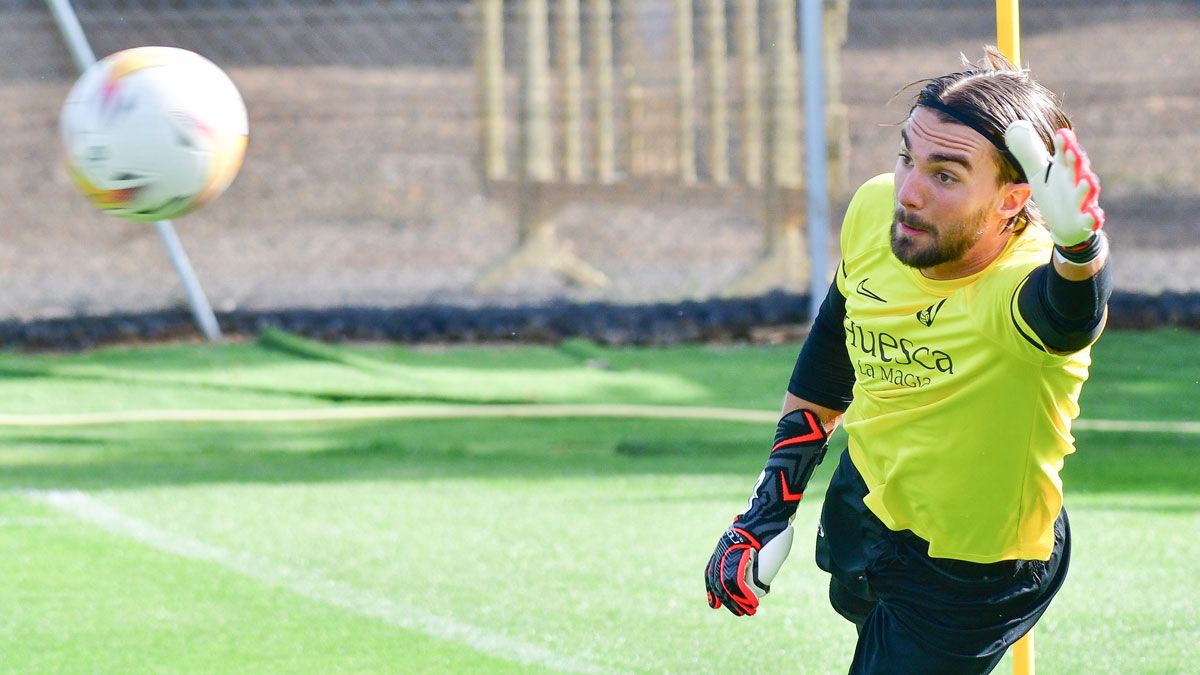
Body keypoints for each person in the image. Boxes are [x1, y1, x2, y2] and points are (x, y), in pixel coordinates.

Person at [704, 47, 1111, 674]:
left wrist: (1080, 250)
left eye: (945, 175)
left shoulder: (1020, 283)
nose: (909, 193)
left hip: (974, 566)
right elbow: (831, 359)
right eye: (906, 158)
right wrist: (768, 507)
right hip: (865, 505)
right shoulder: (875, 210)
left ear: (1012, 199)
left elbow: (1066, 318)